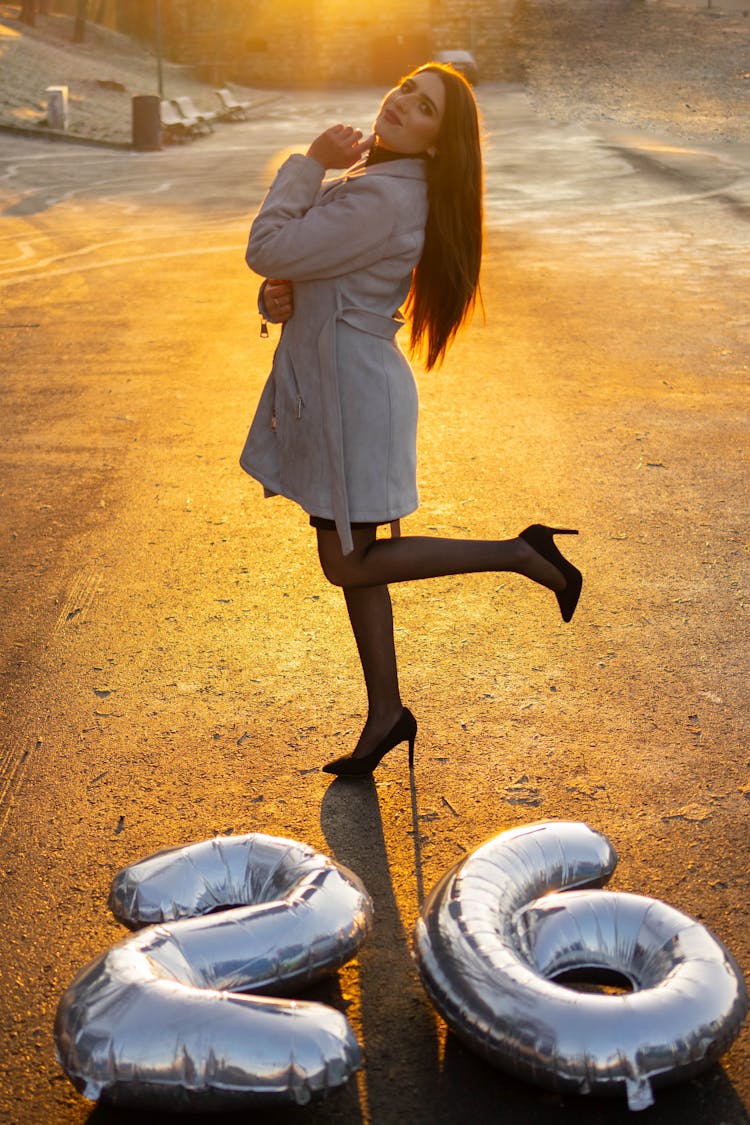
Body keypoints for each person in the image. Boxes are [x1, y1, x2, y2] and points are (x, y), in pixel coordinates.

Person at [240, 64, 582, 778]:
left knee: (347, 562)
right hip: (344, 392)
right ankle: (386, 714)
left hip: (353, 402)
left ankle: (522, 554)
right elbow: (300, 269)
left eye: (423, 108)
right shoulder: (387, 182)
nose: (400, 105)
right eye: (403, 89)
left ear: (437, 143)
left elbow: (267, 247)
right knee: (358, 564)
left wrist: (307, 161)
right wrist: (281, 300)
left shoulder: (385, 196)